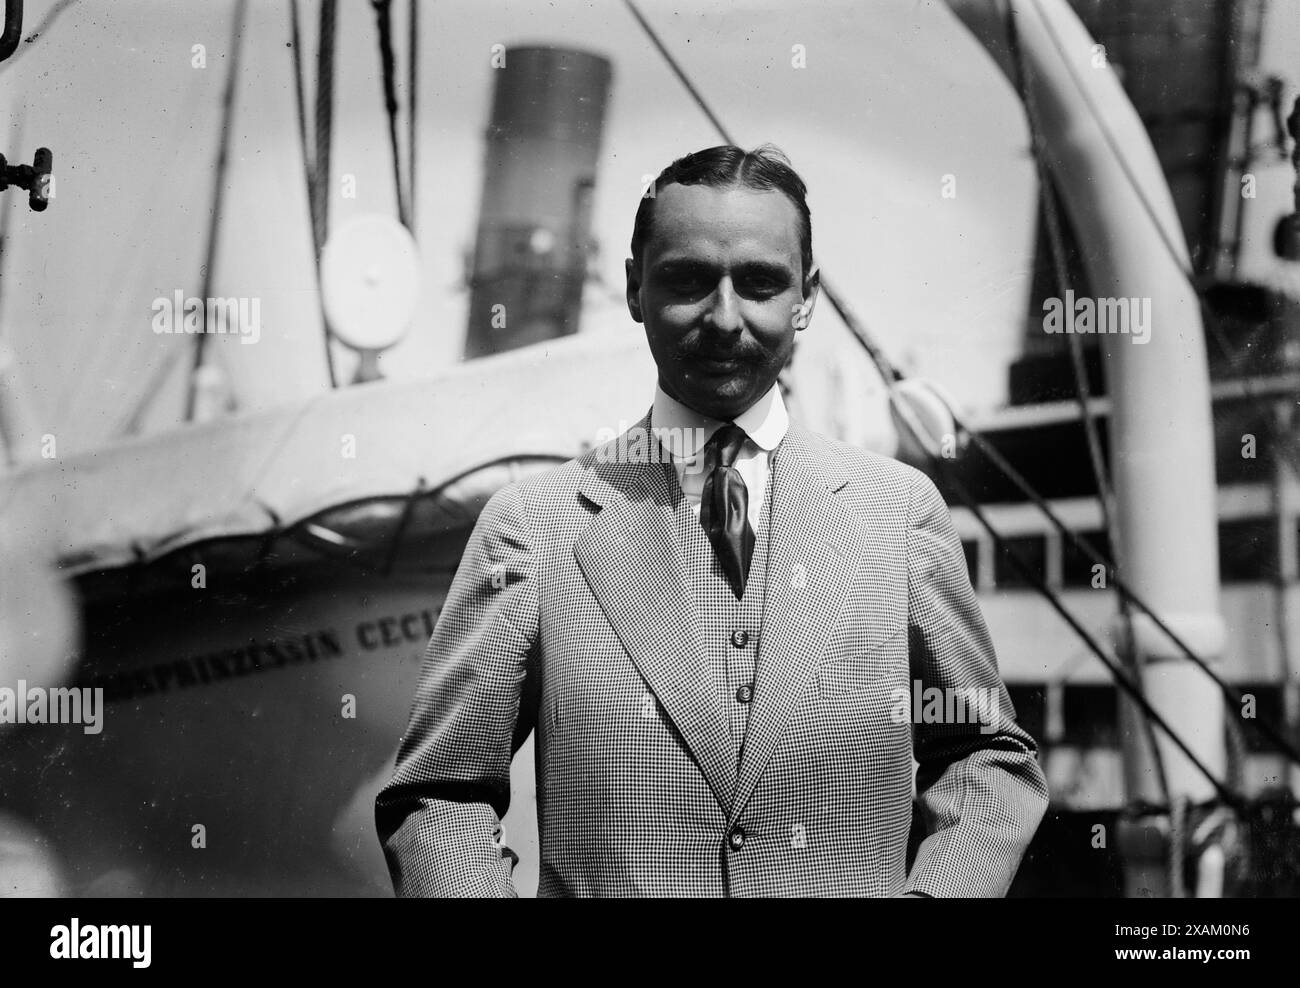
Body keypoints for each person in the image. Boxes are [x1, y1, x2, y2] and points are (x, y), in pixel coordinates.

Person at [376, 144, 1049, 897]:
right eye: (689, 280)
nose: (725, 318)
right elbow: (439, 797)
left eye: (759, 283)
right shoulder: (534, 528)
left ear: (806, 298)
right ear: (635, 289)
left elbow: (987, 759)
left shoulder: (896, 516)